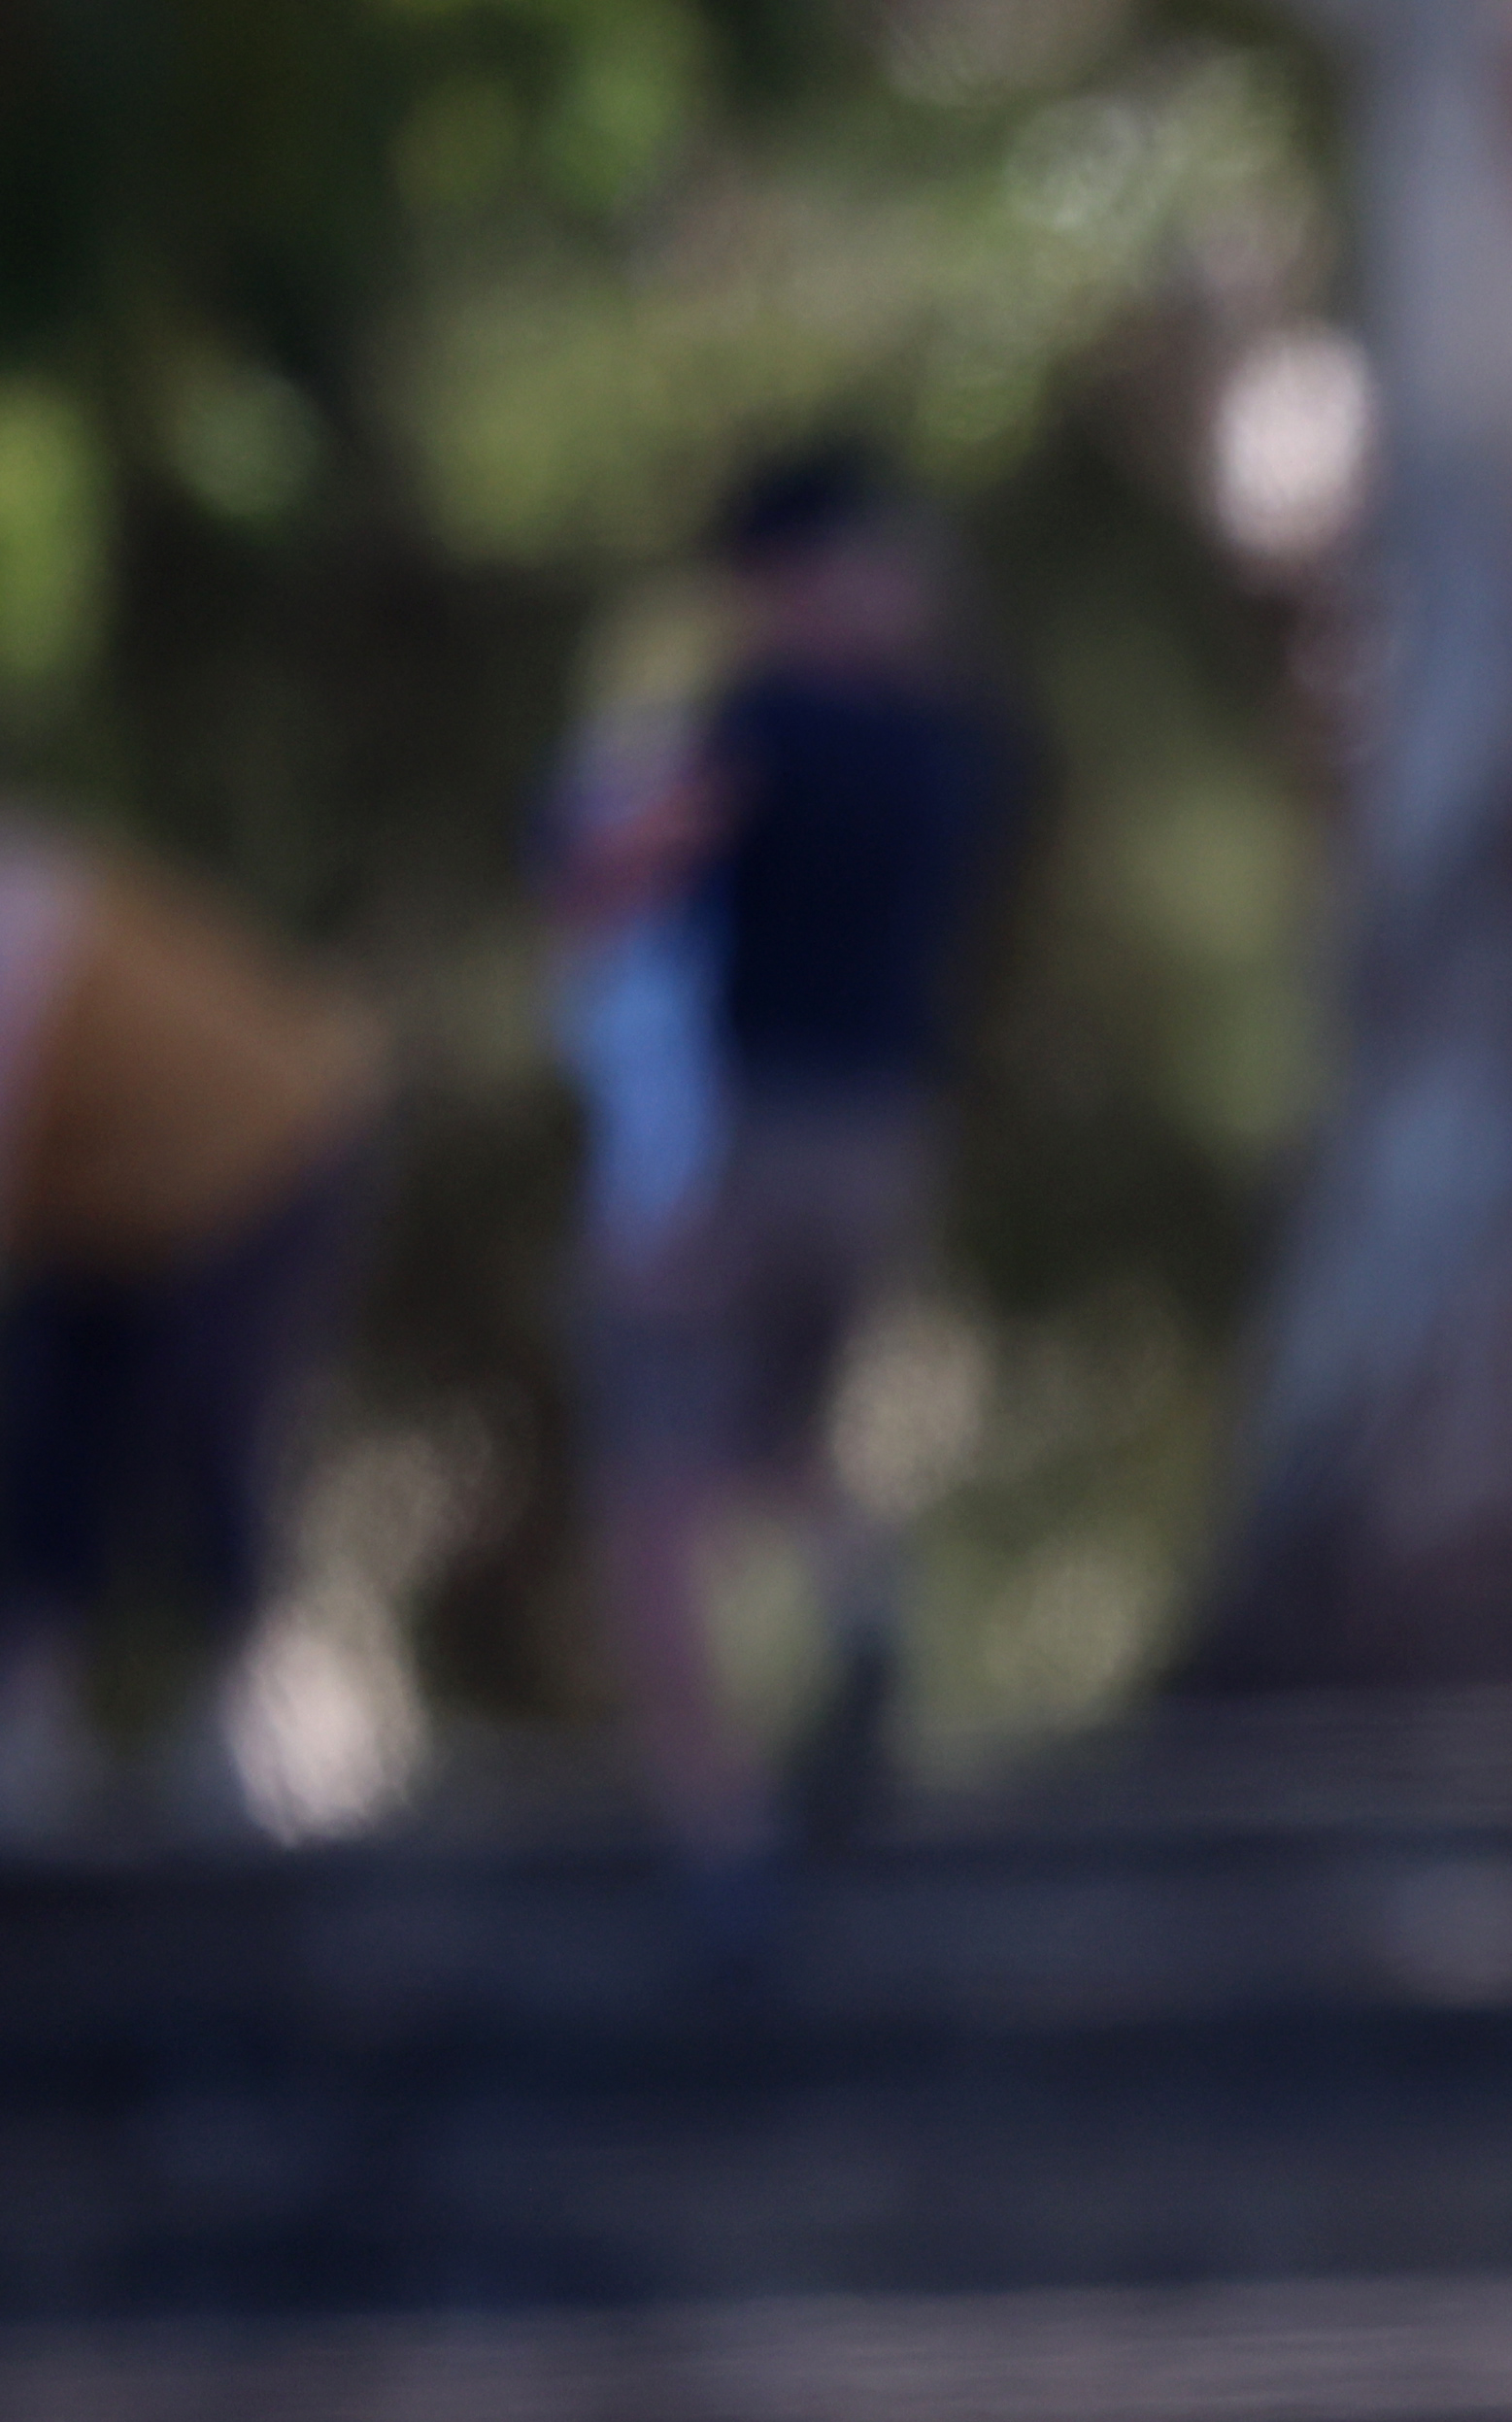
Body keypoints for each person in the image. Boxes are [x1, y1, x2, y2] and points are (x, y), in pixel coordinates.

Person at [0, 636, 387, 1850]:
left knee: (212, 1428)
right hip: (105, 1212)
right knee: (43, 1425)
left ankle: (251, 1728)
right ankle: (20, 1729)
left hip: (266, 1156)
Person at [577, 441, 1012, 1881]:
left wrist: (596, 829)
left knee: (652, 1477)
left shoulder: (757, 724)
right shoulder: (945, 745)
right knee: (780, 1440)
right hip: (888, 1139)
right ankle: (864, 1604)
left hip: (736, 1136)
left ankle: (717, 1824)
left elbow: (617, 873)